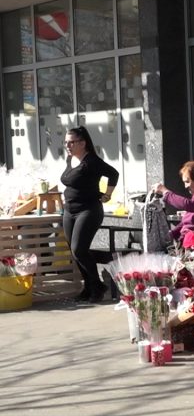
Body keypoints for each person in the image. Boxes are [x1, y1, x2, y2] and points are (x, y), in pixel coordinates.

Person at [61, 126, 119, 303]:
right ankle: (88, 287)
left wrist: (107, 194)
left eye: (71, 142)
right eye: (66, 142)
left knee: (79, 249)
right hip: (69, 210)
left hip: (88, 210)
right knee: (75, 252)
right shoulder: (70, 159)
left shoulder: (91, 161)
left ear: (83, 143)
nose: (68, 146)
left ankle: (97, 286)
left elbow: (113, 174)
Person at [152, 161, 194, 242]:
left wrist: (165, 192)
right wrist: (172, 234)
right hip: (184, 240)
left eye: (187, 182)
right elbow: (185, 221)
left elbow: (188, 205)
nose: (186, 186)